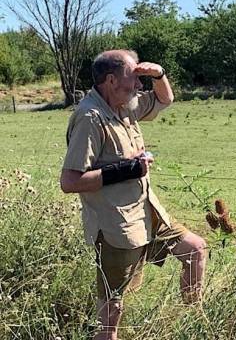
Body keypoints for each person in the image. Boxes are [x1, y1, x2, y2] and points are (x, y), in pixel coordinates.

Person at [60, 49, 207, 340]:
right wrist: (127, 169)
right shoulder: (90, 117)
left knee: (195, 249)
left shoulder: (124, 104)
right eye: (134, 79)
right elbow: (70, 181)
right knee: (112, 311)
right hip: (117, 226)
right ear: (111, 80)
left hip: (147, 212)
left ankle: (196, 324)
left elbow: (165, 99)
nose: (140, 86)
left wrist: (159, 74)